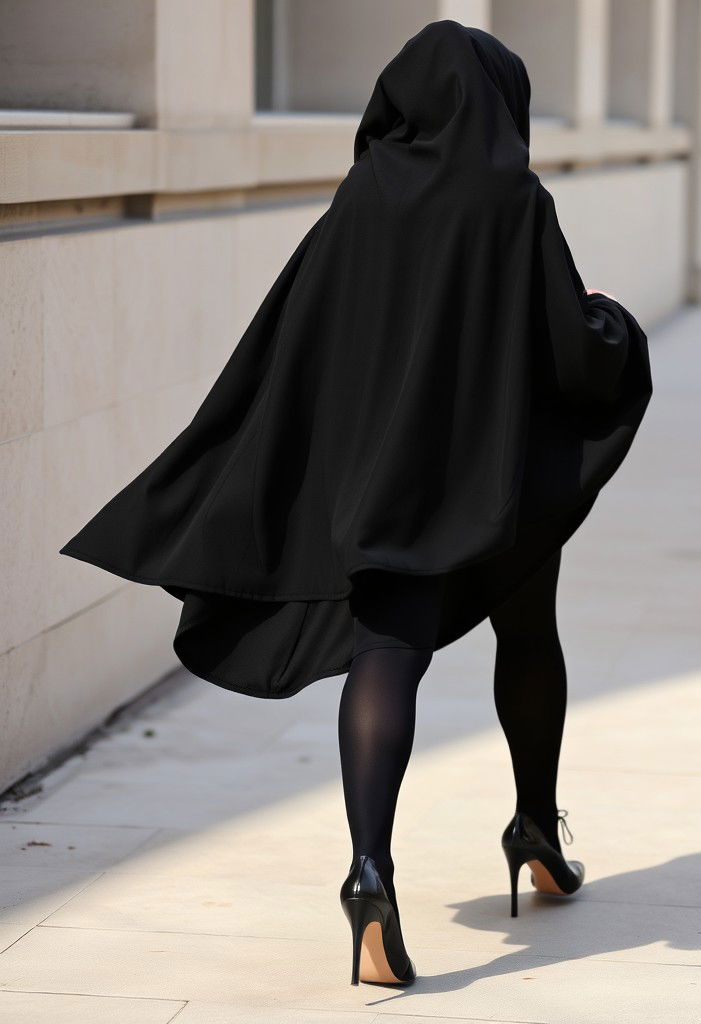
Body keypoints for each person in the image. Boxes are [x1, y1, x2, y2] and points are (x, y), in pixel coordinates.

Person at [58, 19, 653, 987]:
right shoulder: (513, 197)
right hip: (490, 479)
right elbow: (567, 346)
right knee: (528, 627)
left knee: (388, 654)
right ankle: (535, 823)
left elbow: (301, 341)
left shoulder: (362, 197)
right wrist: (611, 320)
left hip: (383, 483)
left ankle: (369, 874)